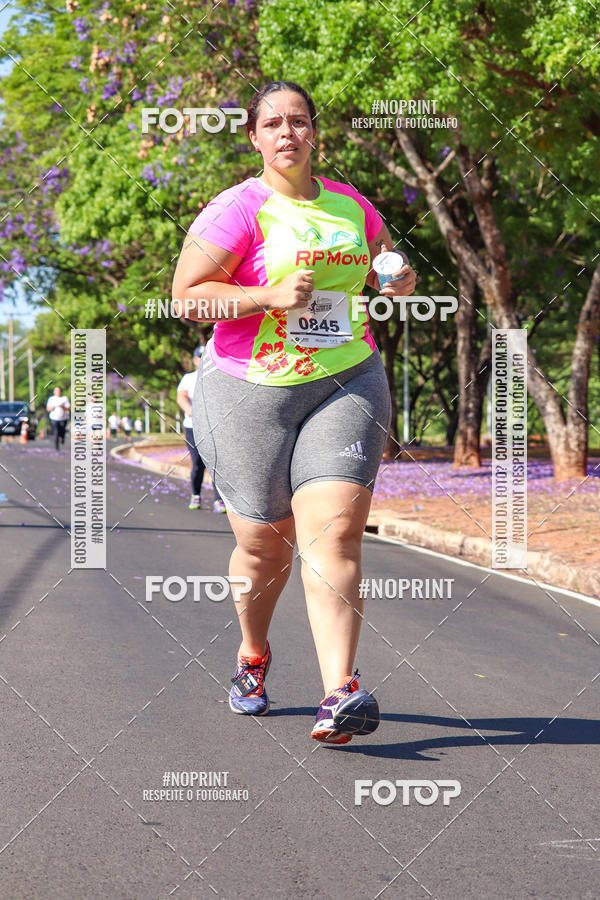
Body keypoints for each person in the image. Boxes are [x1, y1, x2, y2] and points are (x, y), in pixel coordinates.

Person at [172, 80, 417, 744]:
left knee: (334, 537)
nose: (288, 133)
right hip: (250, 391)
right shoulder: (235, 211)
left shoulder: (351, 206)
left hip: (345, 379)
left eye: (300, 121)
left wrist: (395, 278)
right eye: (273, 123)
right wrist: (266, 296)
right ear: (254, 138)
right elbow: (188, 299)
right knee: (263, 544)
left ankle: (341, 692)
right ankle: (253, 655)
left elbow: (384, 266)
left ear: (315, 133)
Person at [176, 346, 226, 512]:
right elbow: (181, 397)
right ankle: (196, 494)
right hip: (193, 427)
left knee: (215, 463)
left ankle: (219, 500)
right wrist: (189, 410)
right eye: (200, 356)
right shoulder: (188, 378)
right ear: (195, 360)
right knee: (198, 463)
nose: (204, 358)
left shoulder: (218, 376)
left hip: (214, 426)